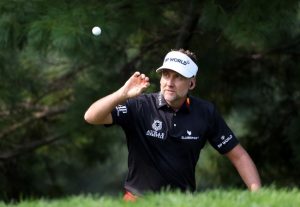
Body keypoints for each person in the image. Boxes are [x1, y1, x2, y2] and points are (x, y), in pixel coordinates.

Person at [84, 49, 261, 201]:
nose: (169, 82)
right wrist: (122, 94)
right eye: (166, 75)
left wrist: (258, 197)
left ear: (191, 83)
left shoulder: (206, 112)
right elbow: (91, 116)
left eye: (178, 77)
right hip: (138, 200)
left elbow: (238, 156)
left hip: (182, 202)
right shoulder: (140, 105)